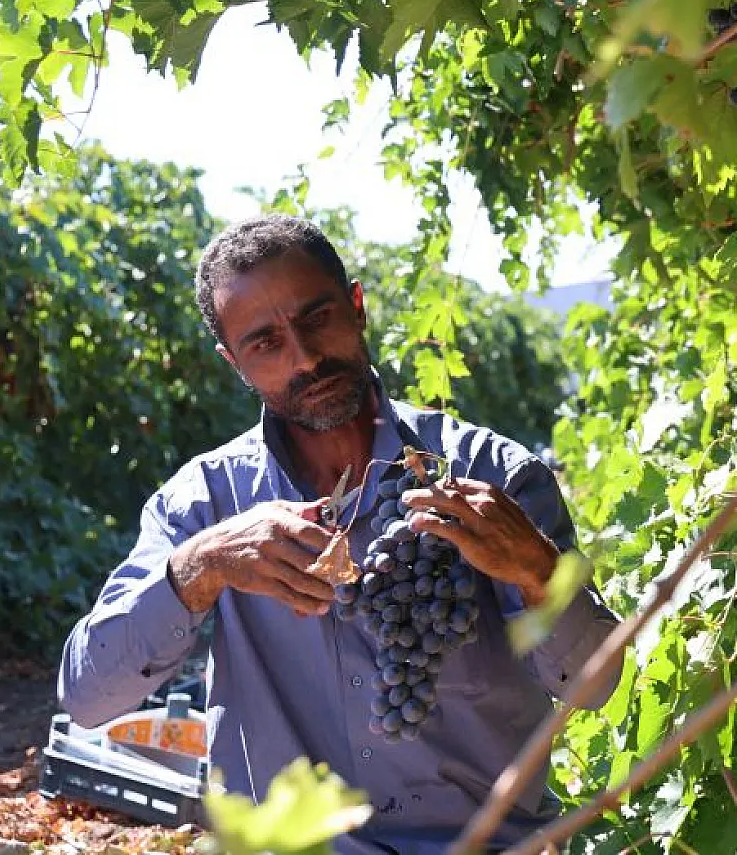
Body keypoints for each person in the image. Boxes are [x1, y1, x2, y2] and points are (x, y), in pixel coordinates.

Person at [57, 214, 622, 853]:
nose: (304, 357)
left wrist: (536, 569)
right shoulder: (205, 504)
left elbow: (596, 686)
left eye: (316, 318)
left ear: (356, 307)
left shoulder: (494, 475)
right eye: (266, 343)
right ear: (234, 362)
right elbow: (87, 697)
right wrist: (200, 567)